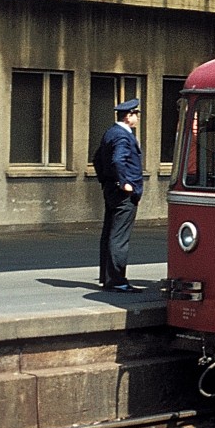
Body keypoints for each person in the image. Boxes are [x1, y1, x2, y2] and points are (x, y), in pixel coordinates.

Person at [93, 99, 144, 292]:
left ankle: (107, 278)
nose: (138, 118)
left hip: (111, 190)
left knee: (109, 233)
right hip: (123, 193)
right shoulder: (123, 136)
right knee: (119, 236)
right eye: (136, 114)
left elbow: (97, 159)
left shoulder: (110, 133)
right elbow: (117, 160)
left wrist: (106, 182)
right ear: (128, 115)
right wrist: (125, 183)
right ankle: (117, 281)